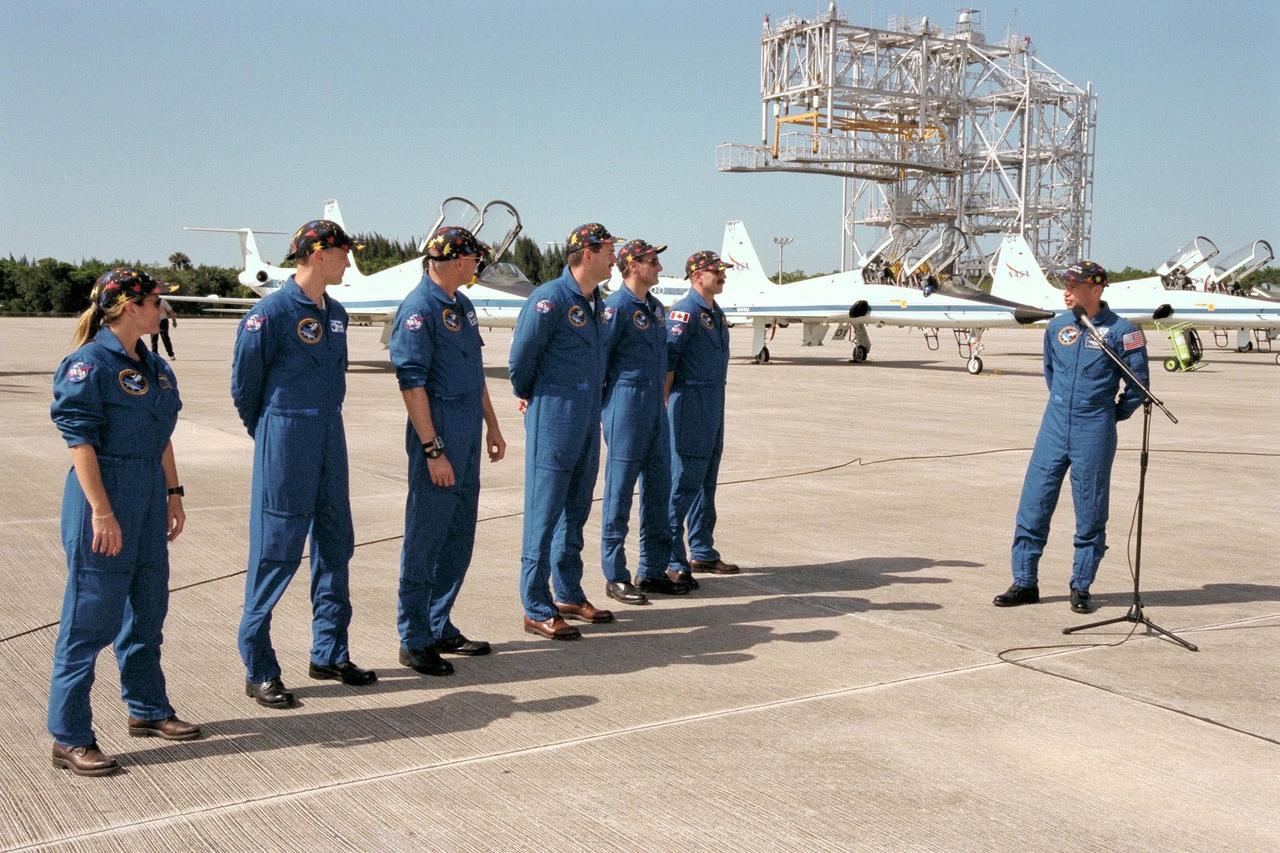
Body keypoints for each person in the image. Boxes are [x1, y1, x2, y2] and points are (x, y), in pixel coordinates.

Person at [48, 268, 200, 776]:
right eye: (157, 301)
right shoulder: (87, 364)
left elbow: (163, 436)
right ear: (129, 306)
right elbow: (79, 443)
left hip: (149, 496)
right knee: (90, 620)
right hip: (105, 498)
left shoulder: (155, 366)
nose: (164, 309)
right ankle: (69, 735)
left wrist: (173, 493)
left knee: (148, 609)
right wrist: (102, 511)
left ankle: (147, 708)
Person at [231, 219, 375, 709]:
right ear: (318, 254)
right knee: (277, 548)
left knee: (337, 542)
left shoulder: (335, 313)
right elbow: (245, 386)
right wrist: (273, 432)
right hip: (286, 434)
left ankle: (330, 652)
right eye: (342, 253)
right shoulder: (268, 314)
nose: (348, 261)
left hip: (328, 435)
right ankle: (259, 665)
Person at [995, 260, 1149, 614]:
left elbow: (1138, 388)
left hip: (1093, 428)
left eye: (1074, 284)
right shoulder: (1057, 326)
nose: (1066, 290)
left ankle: (1081, 586)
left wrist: (1108, 414)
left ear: (1095, 289)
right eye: (1065, 283)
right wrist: (1065, 406)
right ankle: (1024, 581)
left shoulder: (1124, 332)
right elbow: (1051, 371)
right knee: (1034, 502)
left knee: (1090, 509)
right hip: (1054, 425)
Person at [389, 226, 507, 675]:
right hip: (437, 429)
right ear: (456, 260)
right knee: (426, 536)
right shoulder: (420, 309)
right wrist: (432, 449)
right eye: (473, 258)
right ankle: (414, 637)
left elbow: (475, 374)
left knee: (458, 535)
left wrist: (492, 426)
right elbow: (412, 383)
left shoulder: (462, 305)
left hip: (468, 431)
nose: (477, 265)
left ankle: (439, 624)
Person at [509, 222, 615, 640]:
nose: (613, 258)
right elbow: (521, 360)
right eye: (608, 250)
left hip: (588, 419)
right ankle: (536, 606)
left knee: (576, 512)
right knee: (543, 514)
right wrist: (534, 396)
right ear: (586, 254)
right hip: (554, 419)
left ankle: (567, 593)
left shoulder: (595, 303)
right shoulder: (549, 300)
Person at [599, 240, 691, 605]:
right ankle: (615, 573)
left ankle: (651, 570)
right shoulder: (615, 308)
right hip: (626, 404)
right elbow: (599, 360)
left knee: (658, 489)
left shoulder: (654, 308)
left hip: (655, 406)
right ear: (632, 266)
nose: (658, 266)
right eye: (652, 261)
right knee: (619, 492)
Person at [665, 251, 739, 587]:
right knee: (683, 483)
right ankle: (669, 556)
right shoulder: (686, 312)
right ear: (697, 276)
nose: (722, 276)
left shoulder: (715, 312)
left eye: (723, 271)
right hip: (689, 402)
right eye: (716, 271)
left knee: (706, 480)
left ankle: (702, 549)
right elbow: (668, 362)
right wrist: (664, 403)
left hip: (713, 401)